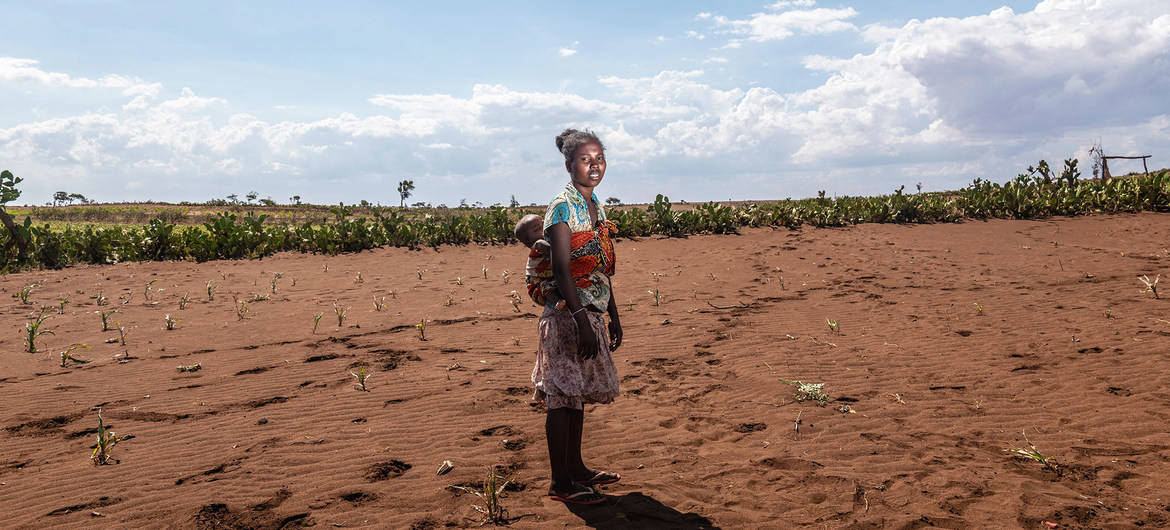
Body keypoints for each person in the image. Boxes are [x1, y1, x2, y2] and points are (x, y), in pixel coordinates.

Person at [532, 128, 623, 505]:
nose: (594, 165)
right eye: (586, 159)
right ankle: (561, 483)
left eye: (599, 158)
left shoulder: (594, 204)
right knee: (562, 398)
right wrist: (583, 320)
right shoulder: (562, 206)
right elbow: (562, 270)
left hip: (591, 314)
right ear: (570, 165)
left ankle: (577, 469)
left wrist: (613, 315)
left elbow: (600, 265)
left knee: (578, 394)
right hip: (567, 318)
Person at [513, 214, 565, 311]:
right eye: (537, 229)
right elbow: (552, 251)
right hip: (536, 288)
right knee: (547, 287)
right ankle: (557, 301)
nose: (544, 228)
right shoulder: (539, 244)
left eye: (544, 224)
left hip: (549, 278)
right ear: (528, 242)